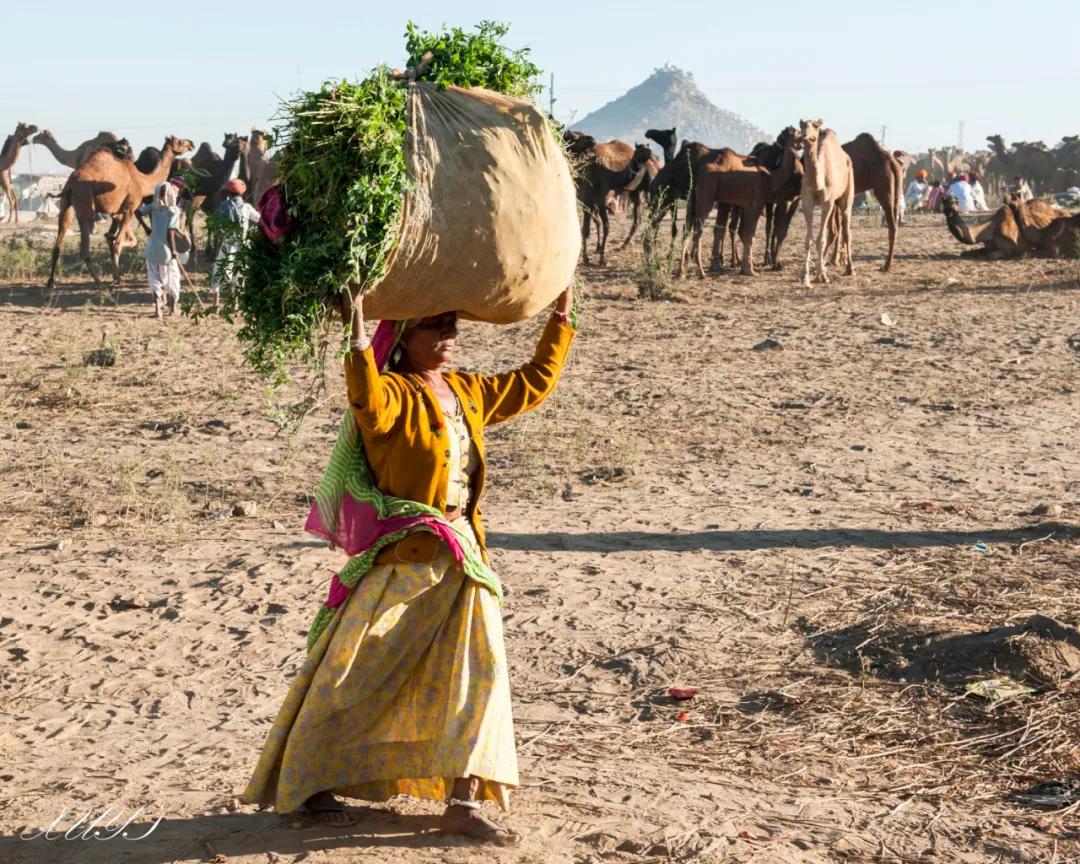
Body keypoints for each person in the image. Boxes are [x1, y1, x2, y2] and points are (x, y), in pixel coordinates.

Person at [241, 285, 577, 844]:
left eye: (452, 324)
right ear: (402, 336)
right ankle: (308, 781)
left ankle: (463, 801)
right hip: (405, 560)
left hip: (464, 557)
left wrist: (561, 320)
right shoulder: (391, 394)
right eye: (434, 325)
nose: (449, 334)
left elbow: (533, 383)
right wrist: (357, 333)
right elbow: (366, 401)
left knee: (480, 675)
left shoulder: (467, 391)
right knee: (354, 674)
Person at [135, 181, 182, 318]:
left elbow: (137, 212)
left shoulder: (154, 207)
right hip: (166, 251)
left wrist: (146, 228)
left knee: (154, 279)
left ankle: (158, 310)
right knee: (172, 279)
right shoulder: (174, 211)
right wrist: (174, 250)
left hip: (152, 248)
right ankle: (172, 309)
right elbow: (170, 232)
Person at [210, 178, 259, 307]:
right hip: (243, 246)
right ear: (242, 193)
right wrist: (251, 231)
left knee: (218, 272)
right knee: (239, 274)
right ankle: (235, 304)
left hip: (227, 245)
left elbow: (216, 226)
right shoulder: (247, 207)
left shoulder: (223, 206)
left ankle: (215, 302)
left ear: (228, 192)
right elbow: (260, 220)